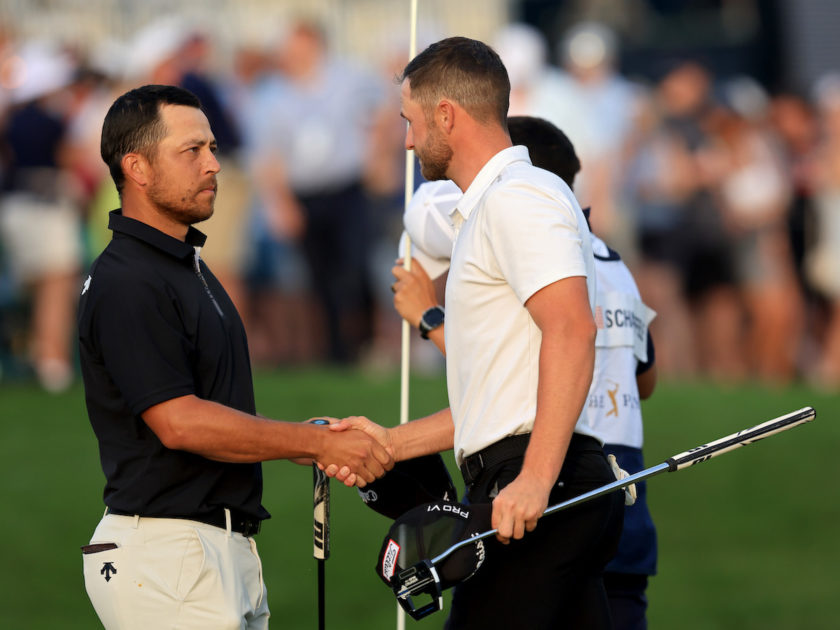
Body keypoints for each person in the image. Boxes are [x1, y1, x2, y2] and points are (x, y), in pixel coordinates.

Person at [330, 38, 624, 629]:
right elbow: (491, 402)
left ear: (446, 115)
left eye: (411, 122)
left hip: (538, 488)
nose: (408, 141)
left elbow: (570, 328)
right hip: (532, 483)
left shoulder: (518, 197)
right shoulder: (492, 207)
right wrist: (386, 445)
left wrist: (535, 479)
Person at [77, 84, 392, 630]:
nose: (214, 165)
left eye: (214, 148)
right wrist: (313, 443)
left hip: (209, 551)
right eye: (192, 151)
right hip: (166, 556)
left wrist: (295, 437)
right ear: (138, 168)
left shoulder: (182, 265)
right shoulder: (129, 280)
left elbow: (206, 409)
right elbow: (179, 422)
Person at [392, 115, 660, 629]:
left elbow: (513, 377)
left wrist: (430, 320)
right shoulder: (616, 265)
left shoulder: (543, 254)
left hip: (554, 482)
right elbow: (644, 378)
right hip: (622, 500)